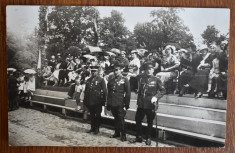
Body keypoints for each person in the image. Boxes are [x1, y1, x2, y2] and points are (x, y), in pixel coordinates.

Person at [133, 62, 166, 145]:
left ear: (153, 70)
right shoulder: (141, 78)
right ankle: (139, 136)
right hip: (141, 102)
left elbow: (163, 90)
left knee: (150, 121)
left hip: (151, 103)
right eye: (147, 69)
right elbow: (133, 78)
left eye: (150, 69)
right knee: (138, 120)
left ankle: (148, 137)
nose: (148, 71)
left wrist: (156, 97)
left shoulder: (156, 79)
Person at [106, 62, 131, 141]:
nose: (115, 72)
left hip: (120, 103)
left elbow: (128, 93)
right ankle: (117, 133)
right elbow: (109, 92)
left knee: (121, 119)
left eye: (117, 70)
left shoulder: (125, 80)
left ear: (121, 70)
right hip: (113, 103)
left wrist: (126, 104)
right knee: (115, 118)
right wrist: (108, 103)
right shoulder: (111, 80)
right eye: (114, 70)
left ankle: (123, 135)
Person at [83, 66, 107, 134]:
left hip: (97, 101)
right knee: (92, 115)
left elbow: (105, 91)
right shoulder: (88, 80)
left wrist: (103, 101)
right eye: (92, 71)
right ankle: (92, 128)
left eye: (95, 71)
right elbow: (86, 91)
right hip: (90, 101)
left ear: (97, 72)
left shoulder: (101, 79)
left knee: (98, 115)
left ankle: (97, 128)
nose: (93, 73)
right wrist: (85, 101)